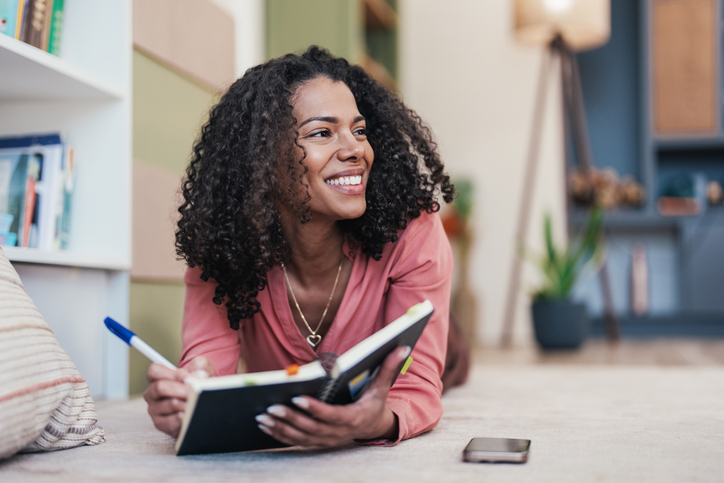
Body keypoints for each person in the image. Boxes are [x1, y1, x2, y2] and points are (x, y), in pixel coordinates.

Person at [143, 46, 455, 447]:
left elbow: (415, 387)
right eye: (322, 133)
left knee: (455, 362)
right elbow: (207, 366)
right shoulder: (225, 244)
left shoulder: (412, 230)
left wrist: (373, 421)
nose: (355, 149)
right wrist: (188, 392)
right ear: (262, 160)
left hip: (419, 308)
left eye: (359, 130)